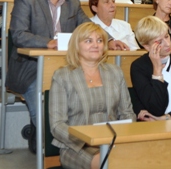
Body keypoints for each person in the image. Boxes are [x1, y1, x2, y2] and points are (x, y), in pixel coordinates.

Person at [7, 0, 90, 152]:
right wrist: (48, 42)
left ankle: (73, 150)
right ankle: (60, 151)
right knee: (44, 112)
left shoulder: (73, 3)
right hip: (31, 68)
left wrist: (109, 40)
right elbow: (18, 35)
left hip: (67, 67)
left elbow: (88, 28)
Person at [49, 22, 135, 169]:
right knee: (110, 163)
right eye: (88, 41)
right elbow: (57, 125)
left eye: (99, 40)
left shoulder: (115, 72)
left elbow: (127, 113)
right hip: (76, 147)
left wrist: (121, 139)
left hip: (113, 142)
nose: (95, 45)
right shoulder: (62, 76)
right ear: (76, 45)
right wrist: (87, 140)